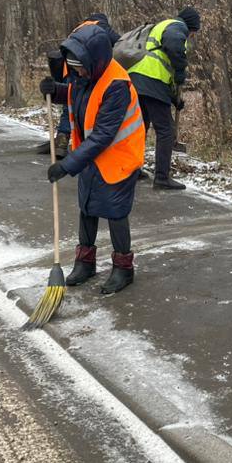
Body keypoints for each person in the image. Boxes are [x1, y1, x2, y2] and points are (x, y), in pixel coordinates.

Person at [39, 22, 145, 295]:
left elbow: (103, 135)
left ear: (95, 61)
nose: (77, 72)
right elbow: (78, 94)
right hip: (91, 156)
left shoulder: (117, 85)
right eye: (74, 68)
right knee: (87, 207)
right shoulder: (85, 75)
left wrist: (67, 164)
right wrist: (56, 90)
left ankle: (124, 268)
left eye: (81, 67)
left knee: (115, 211)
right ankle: (85, 263)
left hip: (118, 158)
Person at [127, 6, 200, 190]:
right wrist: (181, 69)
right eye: (193, 32)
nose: (191, 36)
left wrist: (175, 99)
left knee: (140, 127)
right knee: (166, 130)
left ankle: (132, 170)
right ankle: (161, 178)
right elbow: (174, 46)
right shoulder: (177, 27)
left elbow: (163, 63)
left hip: (137, 78)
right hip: (151, 80)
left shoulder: (163, 26)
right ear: (190, 27)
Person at [36, 13, 119, 158]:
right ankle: (80, 143)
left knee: (69, 105)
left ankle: (62, 140)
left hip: (69, 69)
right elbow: (118, 41)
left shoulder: (78, 29)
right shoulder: (97, 27)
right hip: (84, 67)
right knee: (78, 104)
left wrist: (55, 89)